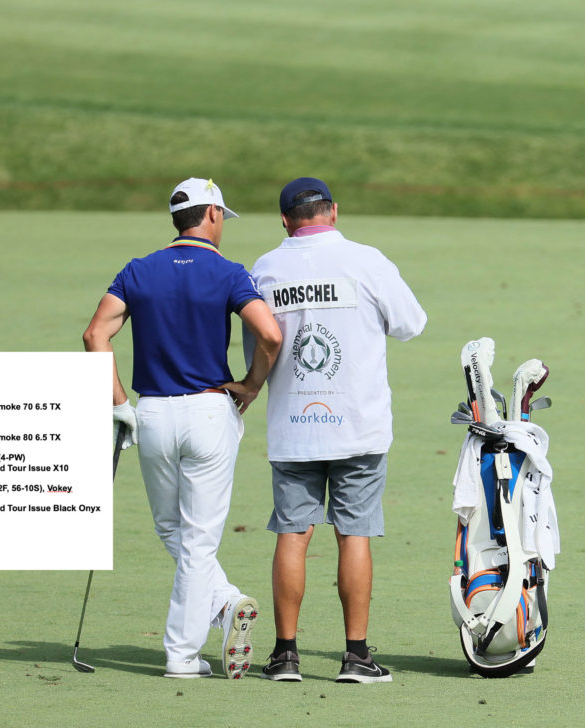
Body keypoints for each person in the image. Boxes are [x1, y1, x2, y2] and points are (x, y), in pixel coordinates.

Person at [82, 177, 282, 679]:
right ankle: (182, 655)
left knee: (172, 528)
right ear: (211, 215)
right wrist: (253, 384)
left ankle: (224, 604)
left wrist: (118, 403)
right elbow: (270, 333)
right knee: (196, 540)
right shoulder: (228, 271)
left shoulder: (138, 270)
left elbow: (95, 334)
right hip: (210, 413)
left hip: (151, 415)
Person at [248, 177, 426, 683]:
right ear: (334, 212)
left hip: (293, 425)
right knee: (354, 535)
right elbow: (411, 323)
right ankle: (356, 656)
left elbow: (257, 339)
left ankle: (284, 655)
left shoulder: (266, 268)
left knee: (293, 533)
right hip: (357, 426)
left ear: (285, 220)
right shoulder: (367, 260)